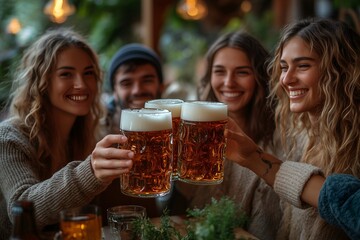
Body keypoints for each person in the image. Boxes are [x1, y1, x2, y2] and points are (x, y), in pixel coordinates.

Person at [226, 18, 360, 239]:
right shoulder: (300, 136)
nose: (286, 79)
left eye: (303, 65)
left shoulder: (353, 145)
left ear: (339, 70)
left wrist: (255, 158)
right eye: (284, 67)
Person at [0, 28, 134, 238]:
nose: (81, 84)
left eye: (88, 73)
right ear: (42, 82)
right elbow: (21, 208)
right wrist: (89, 172)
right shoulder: (9, 138)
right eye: (66, 74)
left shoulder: (90, 135)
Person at [175, 30, 284, 240]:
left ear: (260, 76)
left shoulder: (280, 139)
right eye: (219, 71)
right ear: (209, 77)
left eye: (242, 72)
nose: (229, 82)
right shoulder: (194, 136)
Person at [105, 43, 164, 134]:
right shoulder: (94, 133)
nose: (137, 90)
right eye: (126, 83)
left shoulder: (178, 131)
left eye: (147, 80)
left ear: (161, 86)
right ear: (114, 92)